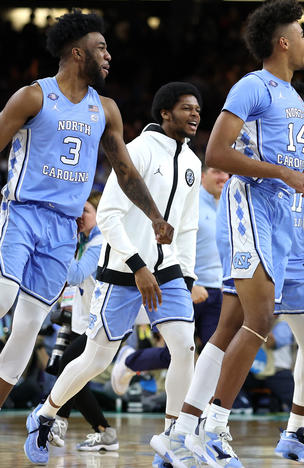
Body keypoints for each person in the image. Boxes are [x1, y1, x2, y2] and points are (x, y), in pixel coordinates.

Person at [149, 3, 304, 468]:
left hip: (280, 222)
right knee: (260, 320)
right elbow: (216, 152)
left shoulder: (295, 102)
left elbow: (298, 176)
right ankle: (214, 428)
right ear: (282, 42)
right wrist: (282, 172)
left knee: (232, 327)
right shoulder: (252, 87)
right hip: (248, 209)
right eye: (302, 34)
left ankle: (180, 432)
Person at [0, 9, 172, 421]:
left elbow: (126, 171)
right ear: (77, 53)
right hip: (22, 213)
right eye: (101, 48)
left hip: (64, 229)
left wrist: (153, 215)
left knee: (25, 333)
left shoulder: (106, 109)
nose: (109, 55)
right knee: (3, 298)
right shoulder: (33, 96)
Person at [23, 81, 202, 465]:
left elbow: (188, 227)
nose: (195, 115)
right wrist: (138, 265)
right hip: (122, 268)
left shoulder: (193, 162)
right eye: (187, 108)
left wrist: (185, 277)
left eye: (198, 109)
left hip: (167, 270)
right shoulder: (137, 150)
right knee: (96, 359)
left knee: (185, 347)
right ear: (165, 113)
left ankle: (172, 438)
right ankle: (45, 413)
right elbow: (107, 215)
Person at [110, 164, 230, 395]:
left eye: (226, 173)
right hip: (188, 285)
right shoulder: (191, 202)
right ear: (202, 176)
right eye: (217, 171)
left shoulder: (226, 206)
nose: (223, 177)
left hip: (218, 289)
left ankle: (200, 412)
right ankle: (130, 360)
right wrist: (189, 282)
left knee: (214, 355)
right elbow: (173, 244)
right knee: (177, 352)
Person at [46, 192, 120, 452]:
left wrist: (64, 241)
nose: (79, 216)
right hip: (83, 322)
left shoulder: (100, 242)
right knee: (73, 376)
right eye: (77, 211)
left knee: (69, 368)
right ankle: (104, 432)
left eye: (86, 210)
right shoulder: (84, 241)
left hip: (104, 323)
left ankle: (58, 421)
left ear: (99, 214)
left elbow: (76, 274)